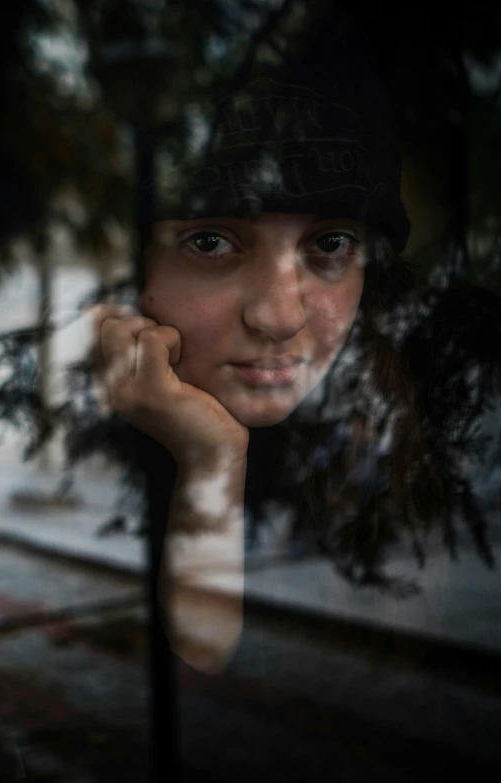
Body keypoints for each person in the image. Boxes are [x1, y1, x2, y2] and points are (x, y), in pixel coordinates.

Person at [90, 17, 495, 678]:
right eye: (213, 243)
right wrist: (210, 457)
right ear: (141, 280)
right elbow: (203, 647)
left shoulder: (426, 396)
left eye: (330, 244)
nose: (278, 316)